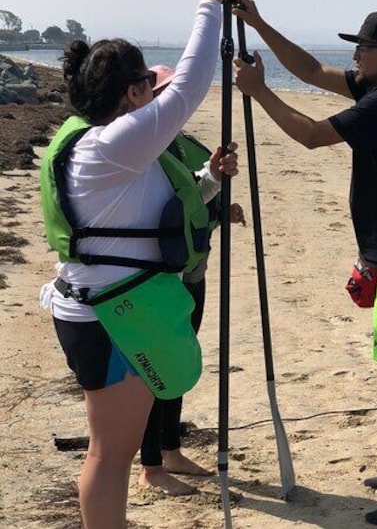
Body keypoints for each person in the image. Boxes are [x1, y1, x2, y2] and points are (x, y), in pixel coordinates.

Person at [37, 0, 240, 527]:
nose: (157, 96)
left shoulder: (87, 139)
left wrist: (210, 182)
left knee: (112, 450)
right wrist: (209, 4)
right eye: (148, 87)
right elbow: (194, 81)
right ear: (131, 93)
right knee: (110, 454)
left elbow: (176, 94)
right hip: (116, 313)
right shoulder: (115, 144)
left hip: (100, 305)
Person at [233, 1, 377, 526]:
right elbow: (309, 70)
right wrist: (260, 25)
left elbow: (310, 136)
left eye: (364, 47)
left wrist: (258, 92)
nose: (355, 54)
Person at [136, 65, 246, 496]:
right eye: (163, 93)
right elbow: (169, 206)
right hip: (161, 279)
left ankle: (169, 450)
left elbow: (194, 203)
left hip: (192, 271)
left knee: (178, 366)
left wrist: (220, 202)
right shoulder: (141, 148)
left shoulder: (182, 145)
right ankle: (149, 466)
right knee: (154, 370)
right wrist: (214, 180)